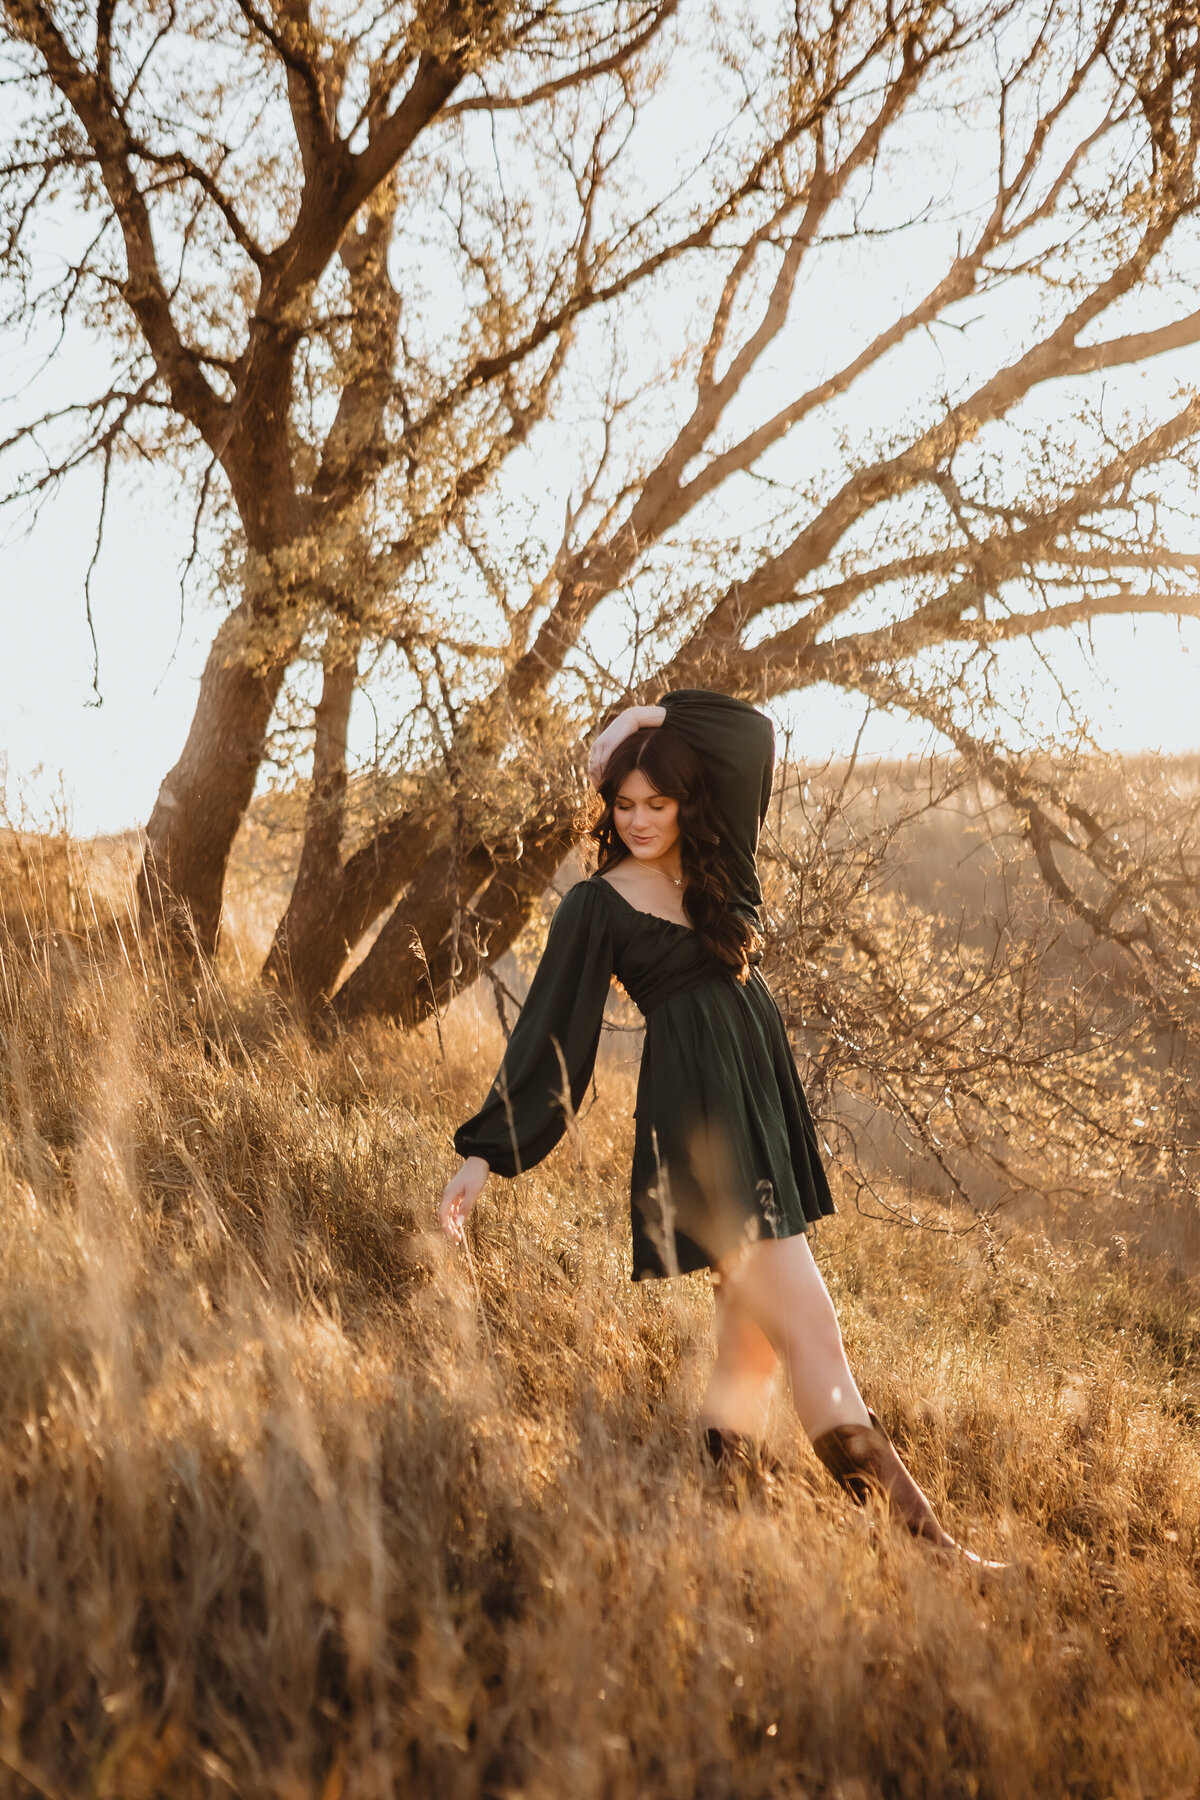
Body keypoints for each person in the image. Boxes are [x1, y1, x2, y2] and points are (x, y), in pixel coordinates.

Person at [441, 690, 1000, 1567]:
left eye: (654, 803)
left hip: (758, 1107)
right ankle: (936, 1558)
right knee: (812, 1330)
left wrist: (636, 723)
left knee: (751, 1342)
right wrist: (485, 1154)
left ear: (686, 802)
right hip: (703, 1123)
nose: (636, 820)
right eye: (622, 804)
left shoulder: (719, 870)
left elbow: (750, 737)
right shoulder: (599, 904)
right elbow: (552, 1033)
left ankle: (713, 1528)